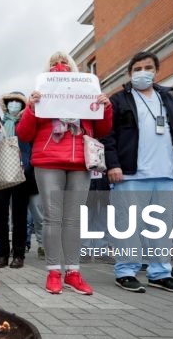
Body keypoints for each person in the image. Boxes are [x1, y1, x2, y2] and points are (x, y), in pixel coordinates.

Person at [102, 51, 173, 295]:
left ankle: (160, 273)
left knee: (161, 228)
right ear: (130, 73)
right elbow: (107, 136)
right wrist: (113, 164)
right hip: (131, 174)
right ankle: (126, 271)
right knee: (128, 226)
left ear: (156, 71)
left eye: (148, 67)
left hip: (166, 173)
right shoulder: (119, 100)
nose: (143, 72)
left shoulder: (168, 99)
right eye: (137, 69)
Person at [17, 52, 113, 295]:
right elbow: (24, 134)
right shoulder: (40, 95)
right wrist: (31, 107)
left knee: (73, 220)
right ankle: (53, 271)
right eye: (53, 64)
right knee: (52, 218)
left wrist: (105, 107)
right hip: (48, 161)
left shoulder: (86, 93)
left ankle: (73, 272)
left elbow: (102, 129)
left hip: (81, 162)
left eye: (64, 64)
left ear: (74, 69)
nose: (59, 67)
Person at [0, 91, 32, 269]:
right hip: (0, 171)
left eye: (18, 102)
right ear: (5, 104)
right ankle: (2, 253)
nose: (14, 104)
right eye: (10, 101)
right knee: (0, 213)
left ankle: (18, 254)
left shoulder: (26, 123)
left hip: (21, 172)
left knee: (20, 215)